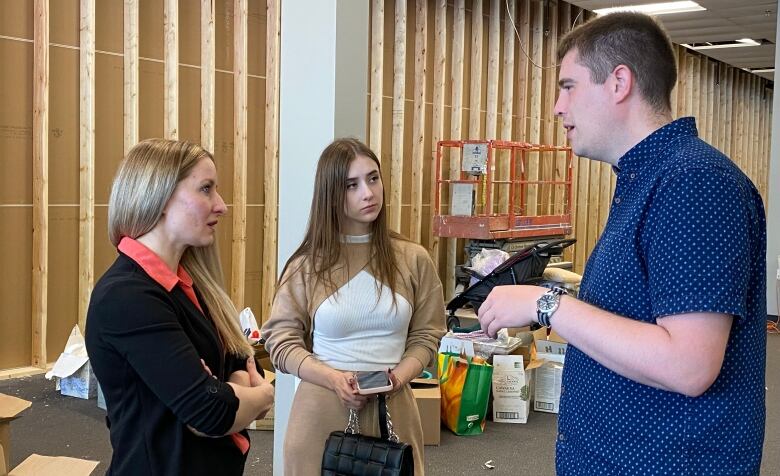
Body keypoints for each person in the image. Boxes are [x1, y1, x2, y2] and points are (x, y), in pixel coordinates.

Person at [478, 12, 766, 475]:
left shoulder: (693, 182)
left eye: (568, 86)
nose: (557, 106)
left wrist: (546, 305)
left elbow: (688, 365)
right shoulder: (648, 179)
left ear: (619, 83)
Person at [85, 139, 274, 476]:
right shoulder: (127, 297)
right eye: (206, 189)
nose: (221, 206)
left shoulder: (188, 282)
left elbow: (232, 361)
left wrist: (228, 393)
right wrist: (263, 395)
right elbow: (210, 413)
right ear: (158, 198)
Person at [261, 138, 446, 475]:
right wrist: (332, 379)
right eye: (352, 184)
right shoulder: (307, 265)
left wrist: (397, 378)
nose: (368, 192)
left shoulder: (412, 258)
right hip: (321, 414)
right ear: (331, 194)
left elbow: (428, 335)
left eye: (373, 178)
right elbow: (280, 341)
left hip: (393, 410)